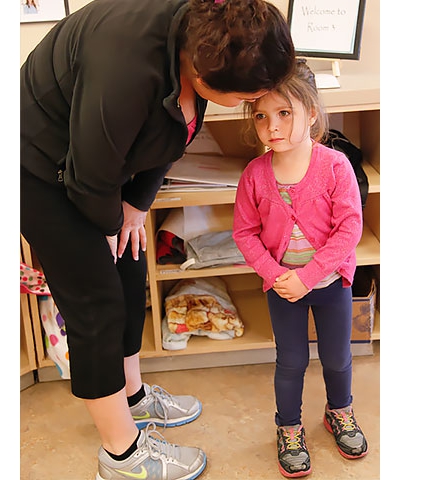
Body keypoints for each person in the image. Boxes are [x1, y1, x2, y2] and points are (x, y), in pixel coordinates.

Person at [20, 0, 295, 479]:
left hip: (95, 160)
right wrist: (104, 224)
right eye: (252, 98)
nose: (260, 104)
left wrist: (135, 207)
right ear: (206, 74)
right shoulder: (127, 68)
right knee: (96, 303)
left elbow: (171, 135)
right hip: (36, 163)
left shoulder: (202, 40)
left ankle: (134, 397)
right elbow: (88, 179)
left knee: (129, 266)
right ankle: (122, 455)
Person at [232, 59, 368, 478]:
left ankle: (339, 411)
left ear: (311, 112)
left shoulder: (335, 166)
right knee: (290, 360)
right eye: (261, 116)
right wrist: (277, 277)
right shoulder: (254, 176)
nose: (272, 126)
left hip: (329, 283)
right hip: (283, 287)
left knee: (337, 356)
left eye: (284, 113)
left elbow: (349, 228)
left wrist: (308, 277)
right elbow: (244, 233)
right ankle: (288, 427)